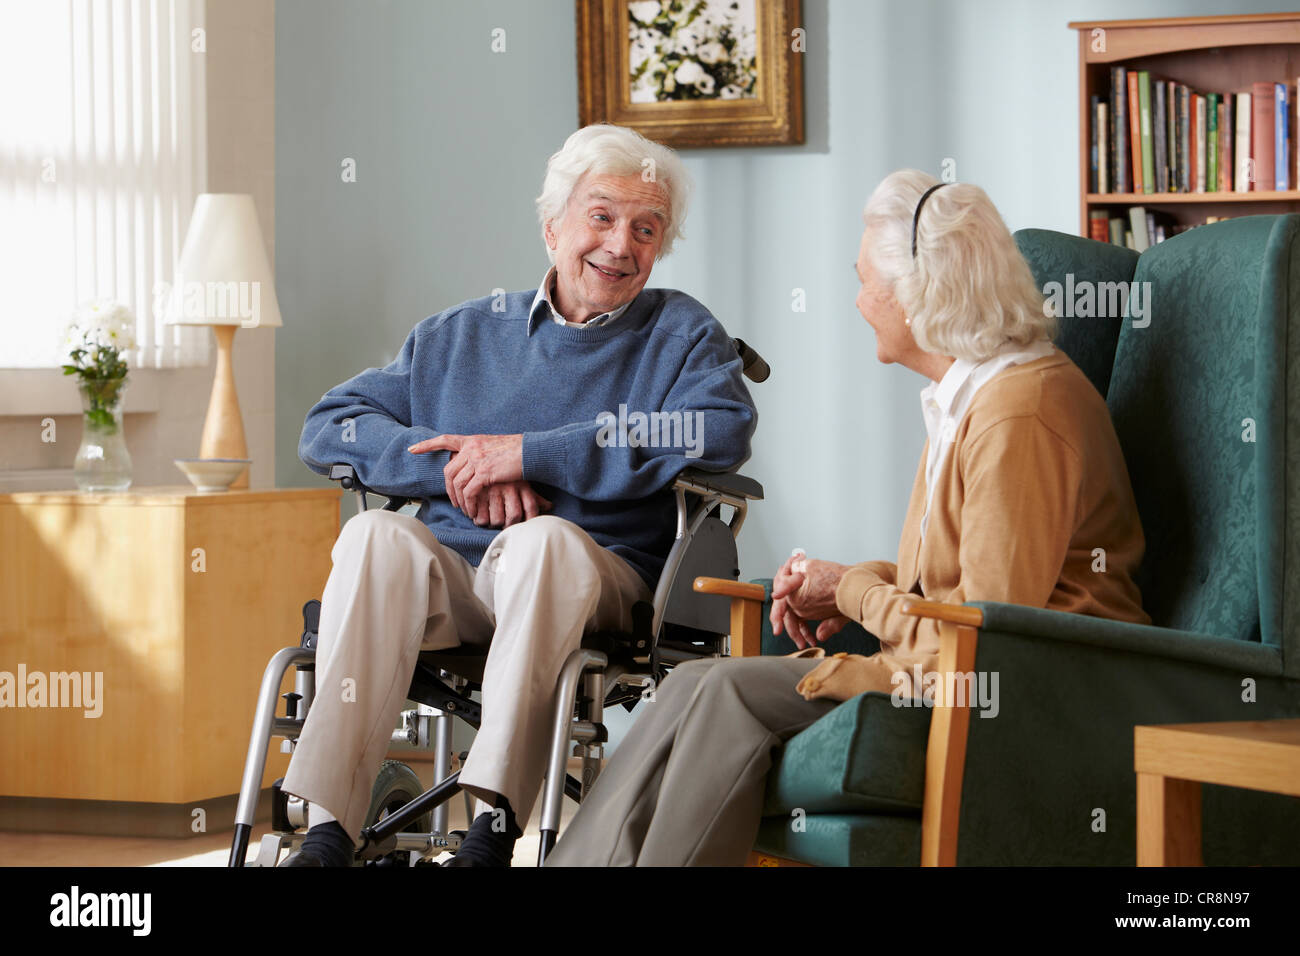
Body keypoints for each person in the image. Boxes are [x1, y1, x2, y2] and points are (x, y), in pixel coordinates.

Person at [544, 169, 1151, 867]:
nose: (859, 301)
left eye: (867, 281)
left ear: (921, 293)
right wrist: (846, 582)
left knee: (725, 695)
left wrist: (856, 592)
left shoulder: (1021, 411)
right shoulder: (971, 396)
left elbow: (989, 629)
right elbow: (957, 582)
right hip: (944, 663)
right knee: (691, 681)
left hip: (1028, 691)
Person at [277, 124, 756, 866]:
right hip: (457, 582)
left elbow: (717, 430)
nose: (621, 245)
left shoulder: (681, 334)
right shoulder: (461, 334)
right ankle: (328, 829)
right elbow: (329, 426)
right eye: (601, 217)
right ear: (552, 226)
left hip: (594, 576)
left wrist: (533, 456)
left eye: (646, 228)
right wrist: (455, 469)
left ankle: (492, 830)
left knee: (542, 543)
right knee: (375, 537)